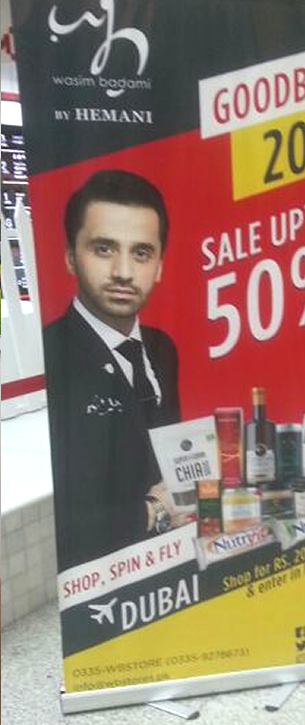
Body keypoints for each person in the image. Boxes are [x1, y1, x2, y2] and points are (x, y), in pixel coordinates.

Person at [43, 169, 181, 571]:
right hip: (104, 579)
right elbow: (69, 519)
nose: (123, 271)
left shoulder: (162, 347)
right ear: (71, 257)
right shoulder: (53, 356)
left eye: (141, 253)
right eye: (104, 249)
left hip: (172, 561)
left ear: (159, 265)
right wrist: (155, 508)